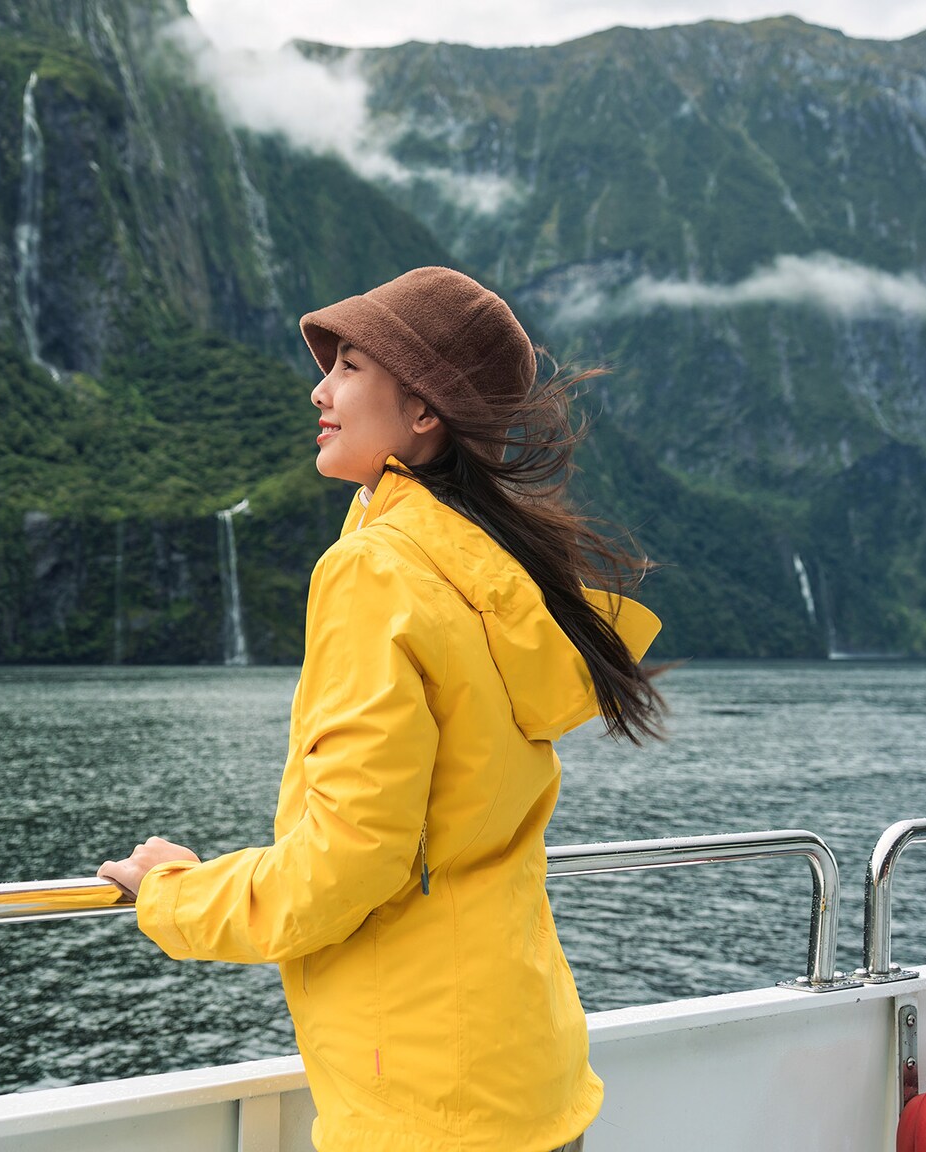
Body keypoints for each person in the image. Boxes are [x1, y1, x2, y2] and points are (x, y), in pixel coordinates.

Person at [99, 266, 666, 1152]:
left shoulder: (380, 573)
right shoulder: (491, 576)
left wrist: (173, 893)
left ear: (425, 411)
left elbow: (346, 865)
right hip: (528, 1078)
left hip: (424, 1107)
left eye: (351, 366)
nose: (320, 389)